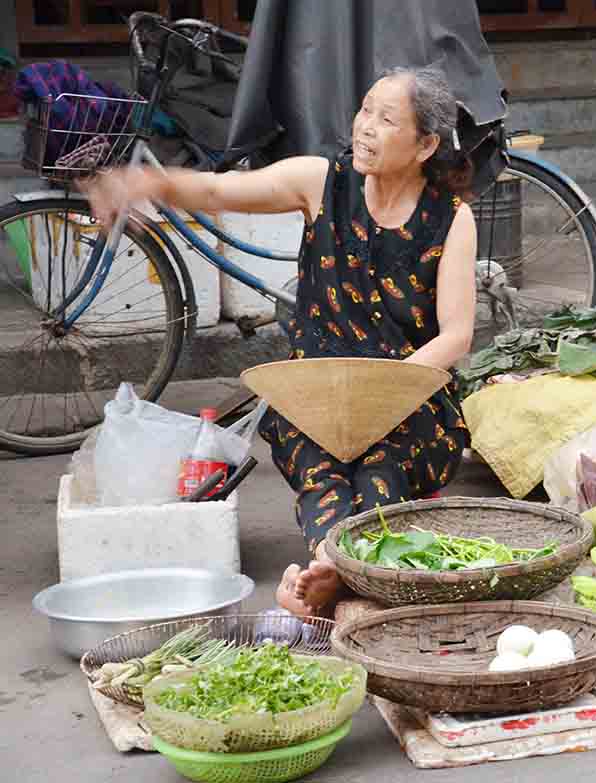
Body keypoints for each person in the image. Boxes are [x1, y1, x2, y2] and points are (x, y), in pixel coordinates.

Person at [85, 65, 477, 617]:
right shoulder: (320, 182)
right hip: (313, 396)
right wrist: (150, 182)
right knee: (320, 471)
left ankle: (332, 577)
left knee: (380, 469)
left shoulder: (451, 220)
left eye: (386, 119)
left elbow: (457, 335)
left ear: (426, 144)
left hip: (406, 397)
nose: (364, 126)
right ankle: (337, 570)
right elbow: (220, 190)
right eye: (365, 109)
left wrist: (383, 395)